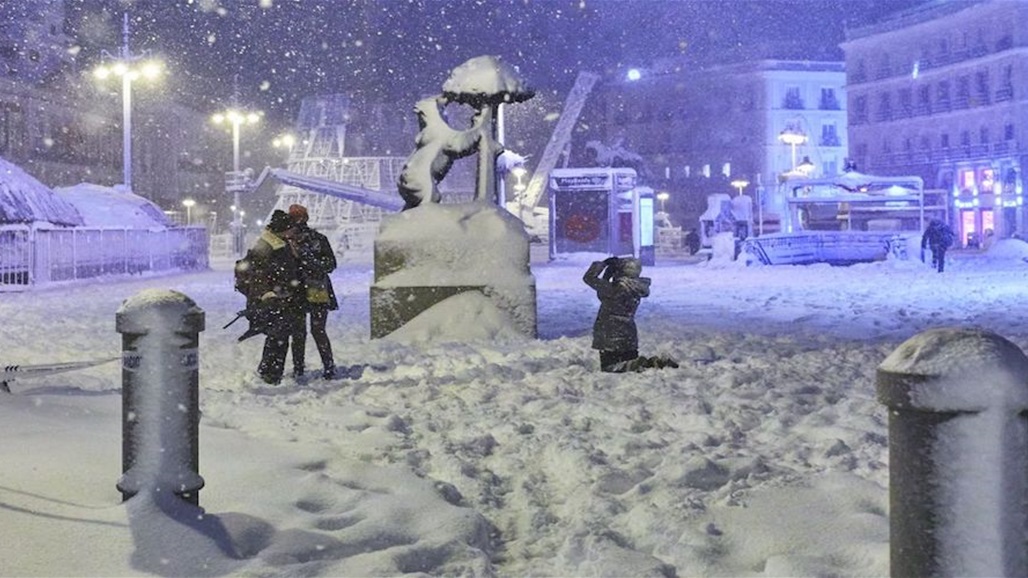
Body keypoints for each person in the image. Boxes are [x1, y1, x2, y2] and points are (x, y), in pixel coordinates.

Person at [243, 209, 306, 384]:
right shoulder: (268, 246)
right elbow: (258, 274)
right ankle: (270, 373)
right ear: (282, 229)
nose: (292, 231)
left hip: (280, 298)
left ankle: (270, 371)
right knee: (278, 336)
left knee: (278, 336)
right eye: (290, 228)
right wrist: (268, 293)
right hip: (272, 300)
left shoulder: (279, 243)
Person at [583, 256, 677, 373]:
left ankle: (637, 364)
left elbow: (589, 278)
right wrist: (608, 275)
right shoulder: (635, 287)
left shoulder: (615, 288)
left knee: (611, 368)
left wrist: (603, 265)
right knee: (630, 366)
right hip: (628, 333)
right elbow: (603, 295)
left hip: (610, 333)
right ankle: (654, 363)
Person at [287, 204, 339, 379]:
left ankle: (304, 368)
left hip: (307, 288)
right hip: (313, 287)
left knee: (307, 331)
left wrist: (308, 260)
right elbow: (329, 264)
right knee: (310, 331)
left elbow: (330, 264)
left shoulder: (311, 239)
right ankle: (322, 367)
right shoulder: (316, 239)